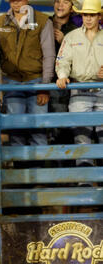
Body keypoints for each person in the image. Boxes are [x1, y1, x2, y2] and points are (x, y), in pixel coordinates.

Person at [0, 0, 56, 159]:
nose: (15, 3)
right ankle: (19, 175)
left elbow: (49, 55)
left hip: (37, 81)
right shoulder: (1, 21)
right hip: (12, 82)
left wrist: (45, 87)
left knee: (38, 129)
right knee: (15, 130)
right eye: (12, 0)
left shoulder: (42, 21)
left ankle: (38, 176)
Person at [55, 0, 103, 171]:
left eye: (92, 15)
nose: (88, 19)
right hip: (79, 90)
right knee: (82, 137)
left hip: (102, 91)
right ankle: (86, 180)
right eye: (85, 15)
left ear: (99, 16)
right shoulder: (71, 37)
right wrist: (62, 76)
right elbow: (62, 61)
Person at [48, 0, 80, 147]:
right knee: (42, 129)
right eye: (57, 1)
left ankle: (65, 164)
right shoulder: (43, 24)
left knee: (66, 126)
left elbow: (81, 58)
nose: (60, 5)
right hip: (44, 82)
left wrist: (63, 41)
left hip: (66, 83)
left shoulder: (76, 30)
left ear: (72, 8)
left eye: (65, 2)